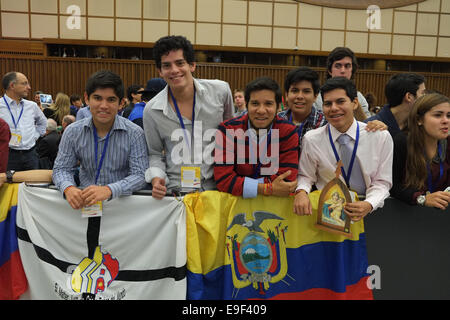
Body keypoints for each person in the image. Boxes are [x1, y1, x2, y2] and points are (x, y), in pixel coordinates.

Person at [143, 35, 234, 199]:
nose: (174, 70)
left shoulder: (220, 92)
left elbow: (232, 136)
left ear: (192, 65)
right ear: (160, 71)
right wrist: (157, 178)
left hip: (216, 191)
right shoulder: (152, 110)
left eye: (180, 63)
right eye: (166, 65)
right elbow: (154, 153)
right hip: (176, 194)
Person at [293, 77, 393, 221]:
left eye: (340, 101)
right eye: (328, 103)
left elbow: (382, 182)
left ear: (355, 103)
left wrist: (368, 204)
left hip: (371, 210)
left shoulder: (379, 136)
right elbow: (306, 176)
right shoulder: (312, 139)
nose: (334, 108)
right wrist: (301, 191)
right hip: (331, 212)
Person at [52, 70, 149, 210]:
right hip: (84, 204)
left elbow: (140, 175)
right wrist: (69, 188)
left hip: (122, 208)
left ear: (121, 103)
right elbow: (61, 169)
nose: (103, 105)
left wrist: (109, 190)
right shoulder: (72, 132)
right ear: (87, 99)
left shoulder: (135, 133)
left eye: (111, 100)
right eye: (97, 98)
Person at [214, 77, 298, 198]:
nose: (261, 110)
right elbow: (224, 180)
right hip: (235, 205)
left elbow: (286, 180)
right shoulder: (228, 130)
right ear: (246, 105)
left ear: (279, 107)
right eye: (255, 104)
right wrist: (268, 189)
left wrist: (244, 185)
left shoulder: (288, 131)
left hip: (273, 206)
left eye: (268, 104)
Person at [278, 66, 386, 148]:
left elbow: (356, 131)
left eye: (306, 91)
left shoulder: (329, 123)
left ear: (315, 96)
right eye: (295, 91)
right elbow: (268, 165)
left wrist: (374, 125)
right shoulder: (274, 122)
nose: (300, 96)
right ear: (286, 95)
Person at [391, 93, 450, 210]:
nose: (446, 121)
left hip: (442, 218)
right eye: (438, 115)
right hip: (404, 217)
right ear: (419, 120)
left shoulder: (448, 144)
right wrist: (421, 199)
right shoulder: (402, 142)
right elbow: (392, 186)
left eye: (449, 116)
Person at [0, 71, 47, 171]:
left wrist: (35, 136)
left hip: (30, 154)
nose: (29, 87)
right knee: (9, 185)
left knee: (32, 185)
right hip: (8, 155)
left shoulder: (32, 106)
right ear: (12, 85)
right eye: (24, 83)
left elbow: (43, 122)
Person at [313, 47, 371, 118]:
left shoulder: (359, 98)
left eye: (347, 66)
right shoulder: (316, 99)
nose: (343, 70)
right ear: (330, 71)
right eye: (338, 66)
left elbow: (367, 124)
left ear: (352, 70)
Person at [366, 73, 426, 138]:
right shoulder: (371, 127)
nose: (426, 97)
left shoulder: (418, 124)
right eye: (422, 93)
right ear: (409, 97)